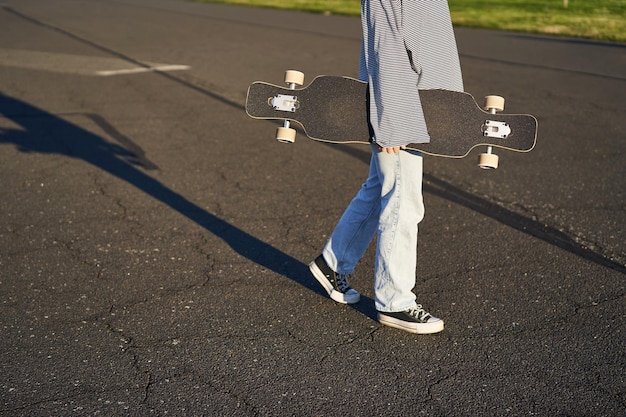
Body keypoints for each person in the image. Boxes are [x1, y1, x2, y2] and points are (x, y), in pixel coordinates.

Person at [309, 0, 464, 334]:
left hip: (423, 106)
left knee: (380, 187)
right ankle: (395, 302)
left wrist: (451, 108)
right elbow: (384, 47)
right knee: (403, 201)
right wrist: (392, 119)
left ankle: (332, 262)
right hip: (402, 109)